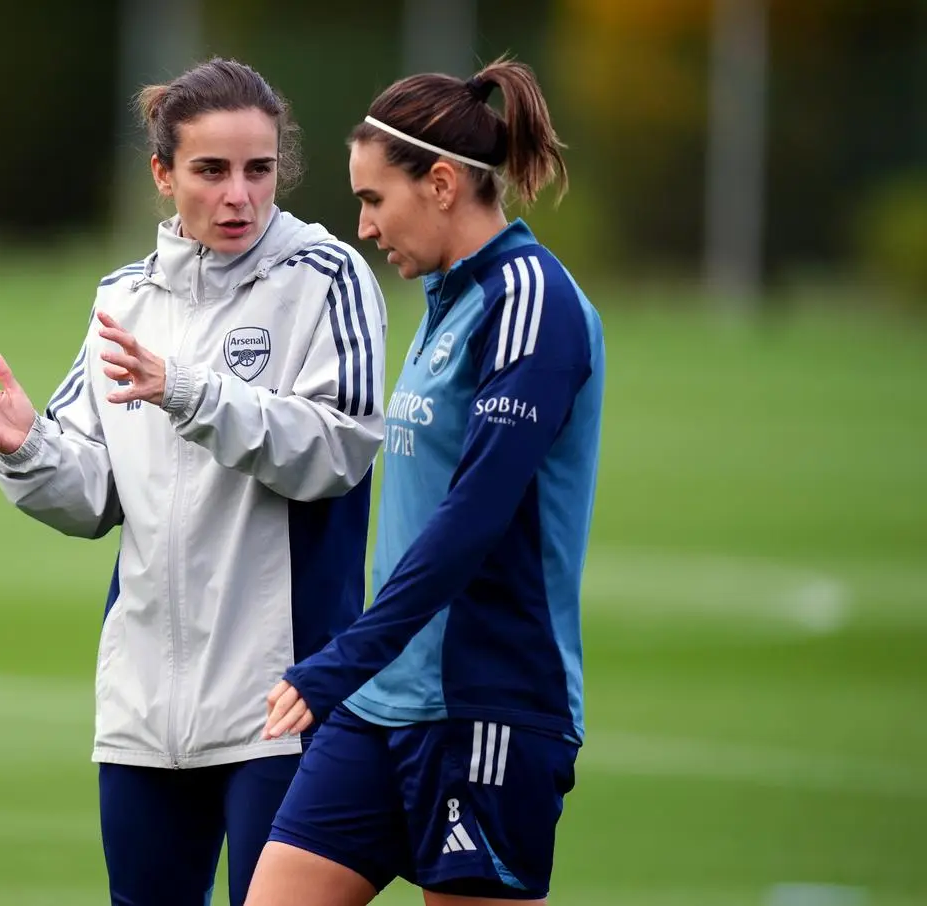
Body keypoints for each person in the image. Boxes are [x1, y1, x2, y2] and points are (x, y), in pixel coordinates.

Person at [0, 57, 387, 906]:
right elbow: (99, 495)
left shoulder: (326, 279)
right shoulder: (124, 300)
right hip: (144, 709)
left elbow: (339, 449)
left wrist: (189, 390)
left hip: (281, 702)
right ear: (162, 173)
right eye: (211, 171)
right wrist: (29, 448)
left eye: (258, 169)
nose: (238, 195)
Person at [247, 55, 605, 906]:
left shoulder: (530, 300)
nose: (365, 226)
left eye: (375, 199)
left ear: (441, 183)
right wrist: (360, 669)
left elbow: (473, 519)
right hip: (382, 703)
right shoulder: (449, 299)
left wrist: (338, 660)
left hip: (487, 706)